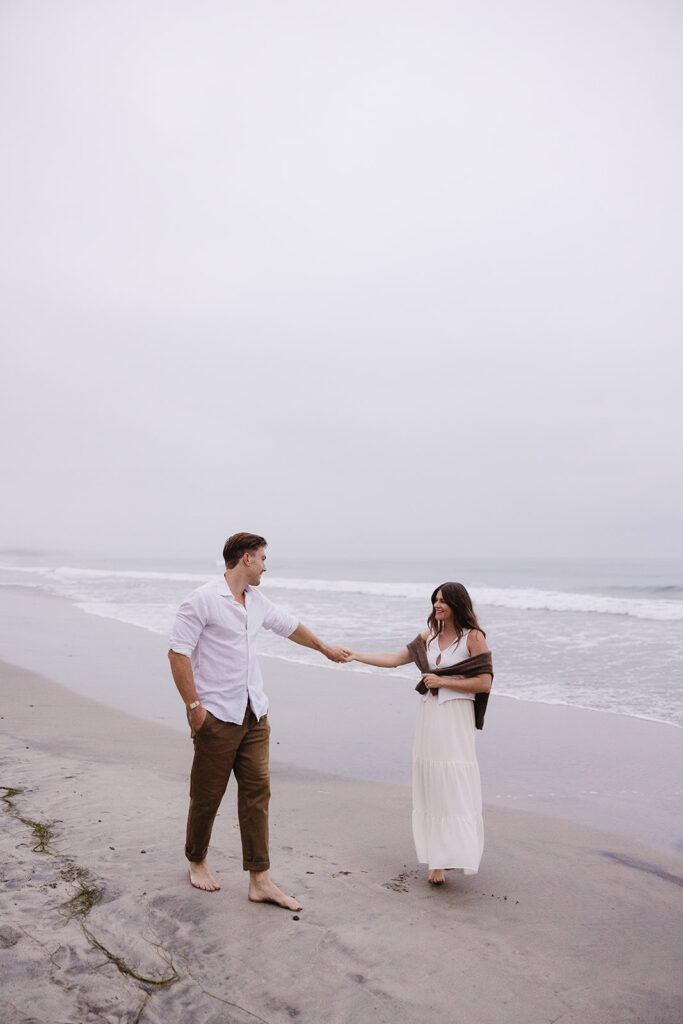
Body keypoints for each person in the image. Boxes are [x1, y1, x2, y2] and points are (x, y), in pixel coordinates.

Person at [168, 531, 346, 909]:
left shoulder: (257, 601)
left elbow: (290, 625)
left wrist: (324, 648)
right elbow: (178, 654)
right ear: (246, 559)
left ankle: (259, 879)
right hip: (216, 714)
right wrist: (194, 708)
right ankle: (196, 860)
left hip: (254, 714)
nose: (266, 564)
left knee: (257, 795)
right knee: (206, 795)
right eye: (263, 558)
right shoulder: (201, 600)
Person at [341, 582, 492, 885]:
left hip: (455, 718)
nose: (437, 606)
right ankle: (436, 860)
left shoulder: (473, 638)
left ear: (457, 605)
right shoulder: (429, 638)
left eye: (444, 601)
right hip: (430, 715)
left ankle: (456, 852)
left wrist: (444, 683)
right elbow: (395, 659)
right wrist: (355, 655)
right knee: (431, 782)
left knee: (453, 782)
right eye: (435, 600)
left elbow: (484, 683)